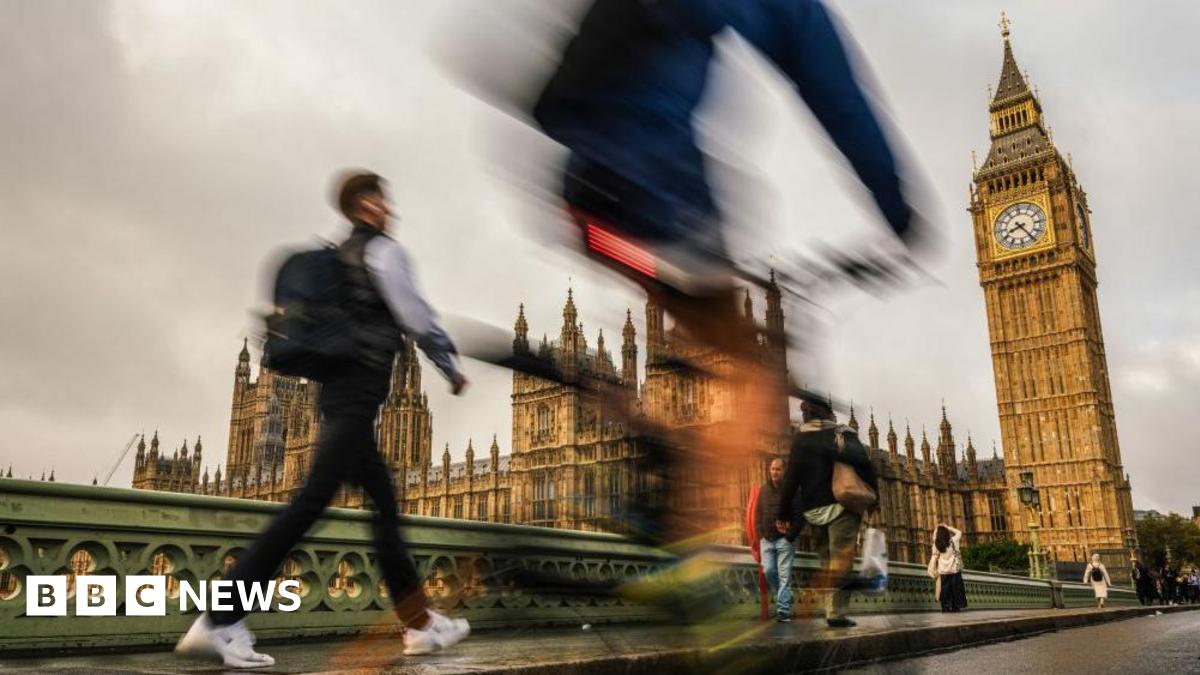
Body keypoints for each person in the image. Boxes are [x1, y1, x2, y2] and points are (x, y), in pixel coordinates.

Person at [526, 0, 929, 544]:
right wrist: (896, 206)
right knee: (755, 373)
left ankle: (647, 474)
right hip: (660, 182)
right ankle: (685, 535)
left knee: (673, 311)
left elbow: (551, 87)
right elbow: (831, 82)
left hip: (580, 188)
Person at [175, 172, 471, 668]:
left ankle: (419, 623)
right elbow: (415, 314)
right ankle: (220, 618)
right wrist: (448, 362)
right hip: (356, 397)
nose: (387, 206)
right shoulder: (382, 252)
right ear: (364, 205)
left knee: (384, 510)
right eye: (378, 197)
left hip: (343, 395)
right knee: (311, 505)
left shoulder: (340, 258)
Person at [775, 396, 878, 628]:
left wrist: (783, 513)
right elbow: (865, 465)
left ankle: (830, 608)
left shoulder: (800, 439)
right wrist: (873, 499)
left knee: (827, 562)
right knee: (841, 560)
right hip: (842, 505)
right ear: (828, 415)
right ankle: (836, 612)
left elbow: (791, 479)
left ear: (807, 416)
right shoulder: (842, 433)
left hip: (814, 511)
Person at [751, 458, 802, 622]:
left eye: (778, 469)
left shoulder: (792, 490)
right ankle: (786, 595)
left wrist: (790, 537)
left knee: (785, 576)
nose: (774, 472)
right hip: (767, 539)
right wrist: (760, 534)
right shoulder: (764, 490)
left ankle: (783, 611)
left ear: (784, 471)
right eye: (772, 469)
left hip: (784, 540)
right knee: (768, 571)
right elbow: (758, 513)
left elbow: (800, 516)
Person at [927, 524, 967, 612]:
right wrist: (948, 527)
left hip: (943, 571)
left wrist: (937, 529)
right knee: (956, 589)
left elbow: (934, 539)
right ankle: (955, 607)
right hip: (954, 570)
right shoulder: (953, 541)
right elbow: (959, 532)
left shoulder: (937, 544)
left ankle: (945, 607)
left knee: (945, 590)